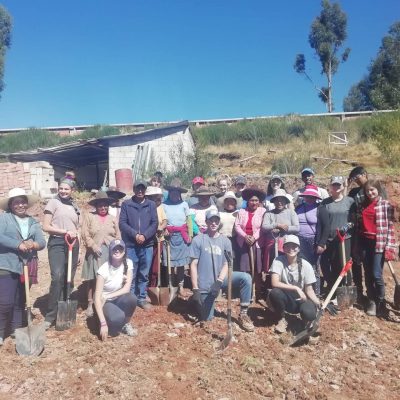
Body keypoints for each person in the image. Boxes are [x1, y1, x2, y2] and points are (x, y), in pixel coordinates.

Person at [189, 209, 255, 332]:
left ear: (219, 223)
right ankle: (195, 301)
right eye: (211, 220)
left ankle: (244, 313)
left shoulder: (225, 241)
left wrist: (219, 281)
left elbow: (227, 263)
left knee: (246, 278)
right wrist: (195, 288)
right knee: (207, 318)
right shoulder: (198, 240)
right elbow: (193, 264)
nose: (214, 223)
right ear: (206, 222)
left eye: (216, 220)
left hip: (221, 278)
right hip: (205, 283)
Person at [0, 188, 46, 345]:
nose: (20, 205)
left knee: (21, 299)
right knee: (5, 300)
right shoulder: (4, 218)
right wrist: (17, 244)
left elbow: (42, 241)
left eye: (22, 202)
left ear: (27, 203)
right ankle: (0, 332)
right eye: (16, 202)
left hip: (28, 264)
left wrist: (34, 243)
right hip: (7, 263)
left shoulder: (33, 221)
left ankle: (16, 329)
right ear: (11, 205)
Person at [43, 179, 80, 329]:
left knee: (68, 278)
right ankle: (50, 315)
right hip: (57, 242)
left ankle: (64, 309)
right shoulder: (53, 203)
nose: (63, 191)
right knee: (57, 276)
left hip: (73, 244)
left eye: (67, 189)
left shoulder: (75, 206)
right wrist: (64, 231)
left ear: (72, 191)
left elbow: (78, 230)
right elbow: (45, 226)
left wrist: (80, 249)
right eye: (61, 188)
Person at [358, 180, 397, 316]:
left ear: (378, 190)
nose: (370, 193)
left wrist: (390, 248)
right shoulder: (363, 205)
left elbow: (391, 228)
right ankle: (371, 301)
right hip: (365, 243)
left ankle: (381, 302)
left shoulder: (386, 205)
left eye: (372, 190)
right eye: (368, 191)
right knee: (368, 274)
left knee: (376, 274)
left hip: (378, 243)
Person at [268, 235, 320, 334]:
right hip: (286, 298)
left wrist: (317, 302)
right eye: (288, 246)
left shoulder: (306, 265)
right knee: (275, 293)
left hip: (302, 299)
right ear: (283, 248)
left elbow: (309, 290)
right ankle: (282, 318)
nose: (291, 249)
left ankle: (306, 322)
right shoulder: (278, 261)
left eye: (294, 246)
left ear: (299, 248)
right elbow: (274, 283)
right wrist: (296, 288)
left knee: (310, 314)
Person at [119, 180, 158, 311]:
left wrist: (145, 236)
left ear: (145, 190)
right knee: (131, 272)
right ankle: (130, 298)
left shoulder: (151, 205)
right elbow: (122, 224)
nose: (140, 191)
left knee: (144, 273)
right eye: (137, 188)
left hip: (147, 245)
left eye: (142, 189)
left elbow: (154, 223)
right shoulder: (126, 204)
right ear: (134, 189)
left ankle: (141, 298)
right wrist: (135, 235)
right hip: (131, 244)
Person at [81, 191, 121, 317]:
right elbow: (85, 234)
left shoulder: (113, 219)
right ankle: (90, 303)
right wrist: (93, 245)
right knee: (93, 279)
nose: (103, 208)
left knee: (107, 278)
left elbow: (118, 235)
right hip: (94, 252)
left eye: (105, 205)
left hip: (109, 253)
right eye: (100, 205)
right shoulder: (89, 216)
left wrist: (115, 248)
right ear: (96, 206)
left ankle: (105, 301)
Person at [315, 176, 355, 297]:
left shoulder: (349, 201)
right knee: (328, 265)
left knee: (343, 265)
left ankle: (344, 289)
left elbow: (354, 219)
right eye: (334, 185)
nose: (336, 187)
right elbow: (321, 222)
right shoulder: (325, 203)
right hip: (329, 239)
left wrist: (348, 226)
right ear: (330, 186)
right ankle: (332, 288)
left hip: (344, 239)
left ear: (343, 186)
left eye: (339, 185)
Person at [94, 239, 137, 340]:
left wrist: (108, 296)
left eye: (120, 249)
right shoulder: (103, 270)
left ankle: (125, 324)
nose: (117, 251)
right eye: (114, 249)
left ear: (124, 251)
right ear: (110, 251)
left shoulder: (128, 263)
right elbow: (97, 298)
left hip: (113, 297)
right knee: (118, 317)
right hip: (104, 302)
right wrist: (103, 323)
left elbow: (126, 289)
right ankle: (101, 321)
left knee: (132, 298)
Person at [234, 186, 266, 300]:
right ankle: (246, 292)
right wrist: (245, 236)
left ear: (259, 202)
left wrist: (254, 237)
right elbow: (237, 226)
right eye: (252, 200)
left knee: (257, 269)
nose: (254, 202)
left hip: (256, 244)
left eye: (256, 200)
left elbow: (263, 227)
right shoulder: (242, 211)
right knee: (245, 268)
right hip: (243, 243)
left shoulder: (263, 212)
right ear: (248, 201)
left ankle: (257, 292)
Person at [162, 179, 191, 296]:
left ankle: (181, 286)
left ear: (179, 194)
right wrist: (164, 230)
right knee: (169, 262)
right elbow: (162, 220)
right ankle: (170, 285)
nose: (174, 194)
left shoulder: (184, 204)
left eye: (177, 192)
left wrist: (190, 234)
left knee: (180, 264)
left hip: (182, 236)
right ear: (169, 193)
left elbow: (189, 220)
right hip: (169, 237)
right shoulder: (164, 205)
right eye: (172, 192)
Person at [262, 189, 299, 276]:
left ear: (285, 201)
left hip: (287, 245)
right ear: (274, 202)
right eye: (277, 200)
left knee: (287, 266)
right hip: (272, 245)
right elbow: (264, 227)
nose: (279, 202)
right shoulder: (269, 214)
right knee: (273, 266)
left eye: (282, 200)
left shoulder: (291, 213)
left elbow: (297, 228)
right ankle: (272, 284)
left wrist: (284, 228)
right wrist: (276, 225)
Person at [347, 166, 369, 303]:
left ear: (365, 174)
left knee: (369, 262)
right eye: (353, 178)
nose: (356, 180)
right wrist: (346, 185)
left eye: (357, 177)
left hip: (370, 232)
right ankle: (359, 291)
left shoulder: (375, 187)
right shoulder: (353, 192)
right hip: (356, 231)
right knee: (356, 261)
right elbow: (344, 203)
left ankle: (372, 293)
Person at [295, 185, 321, 296]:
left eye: (312, 197)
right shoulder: (299, 208)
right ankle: (302, 291)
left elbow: (324, 226)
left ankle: (316, 292)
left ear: (315, 198)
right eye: (307, 196)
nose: (309, 198)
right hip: (300, 240)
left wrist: (321, 243)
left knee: (314, 267)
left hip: (313, 240)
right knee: (300, 266)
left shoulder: (320, 209)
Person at [145, 186, 168, 288]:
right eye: (153, 197)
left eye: (157, 197)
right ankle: (144, 287)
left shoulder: (160, 208)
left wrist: (161, 227)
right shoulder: (145, 208)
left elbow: (165, 221)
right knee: (146, 264)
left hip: (159, 239)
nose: (156, 200)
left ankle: (153, 286)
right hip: (147, 240)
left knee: (155, 265)